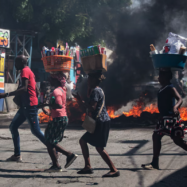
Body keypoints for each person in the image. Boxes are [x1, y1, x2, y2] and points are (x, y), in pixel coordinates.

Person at [73, 71, 120, 178]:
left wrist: (80, 100)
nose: (88, 81)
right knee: (84, 141)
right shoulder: (97, 90)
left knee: (99, 147)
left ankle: (113, 169)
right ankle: (88, 166)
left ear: (95, 80)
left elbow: (92, 107)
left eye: (90, 79)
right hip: (101, 121)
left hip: (100, 122)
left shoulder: (96, 91)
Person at [0, 55, 46, 162]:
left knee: (36, 131)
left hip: (29, 106)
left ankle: (54, 149)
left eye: (16, 62)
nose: (14, 65)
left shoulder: (25, 71)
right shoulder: (29, 71)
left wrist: (6, 94)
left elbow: (24, 88)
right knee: (13, 126)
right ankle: (17, 155)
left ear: (21, 62)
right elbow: (35, 88)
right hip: (26, 105)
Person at [142, 69, 187, 170]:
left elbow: (180, 98)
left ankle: (154, 163)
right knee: (171, 139)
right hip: (164, 117)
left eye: (160, 76)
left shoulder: (170, 88)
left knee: (164, 138)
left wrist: (175, 107)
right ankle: (154, 163)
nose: (158, 78)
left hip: (170, 118)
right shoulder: (163, 88)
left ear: (166, 78)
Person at [39, 73, 78, 172]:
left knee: (50, 141)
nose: (49, 80)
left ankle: (69, 155)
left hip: (59, 118)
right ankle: (56, 165)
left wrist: (46, 104)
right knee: (49, 141)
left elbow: (59, 106)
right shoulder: (61, 89)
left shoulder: (57, 91)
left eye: (51, 78)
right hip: (58, 118)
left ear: (56, 80)